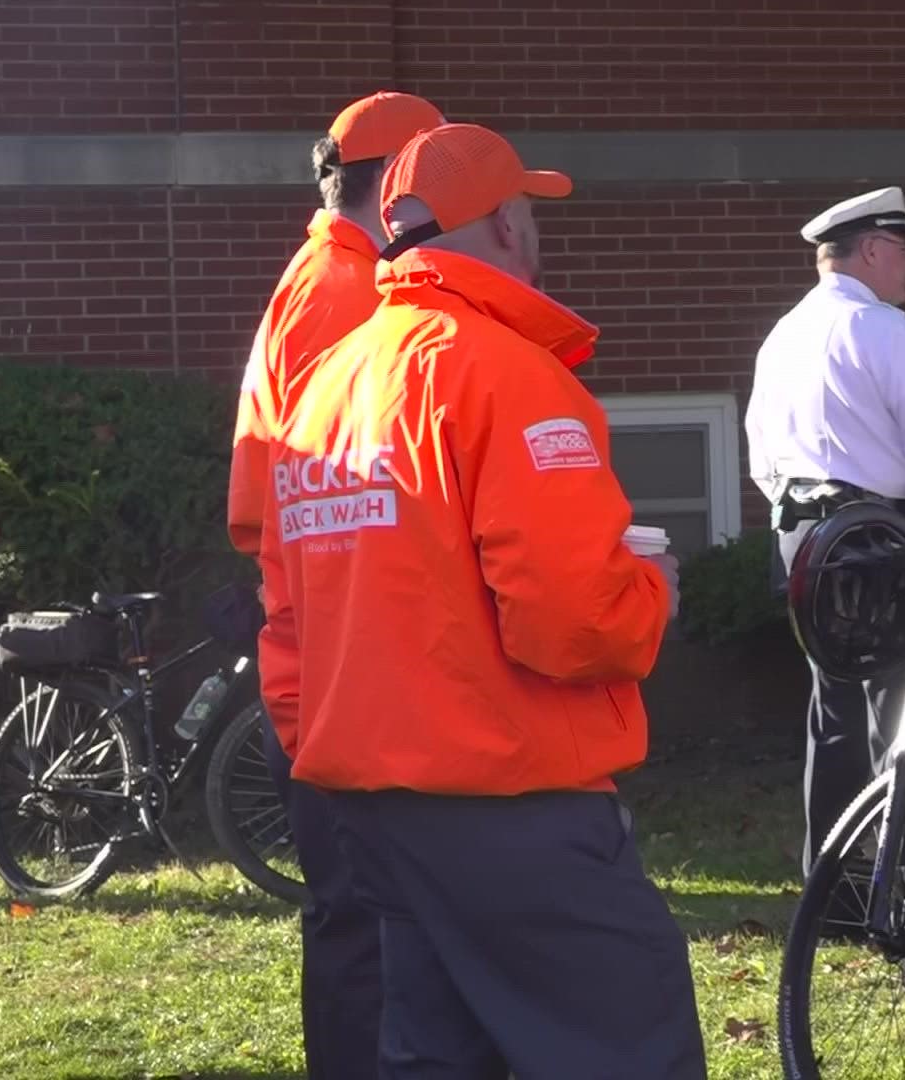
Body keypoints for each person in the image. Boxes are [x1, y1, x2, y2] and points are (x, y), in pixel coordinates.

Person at [259, 123, 705, 1077]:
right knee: (628, 1037)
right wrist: (649, 595)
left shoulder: (328, 385)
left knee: (436, 1051)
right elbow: (571, 619)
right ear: (505, 222)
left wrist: (324, 746)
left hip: (371, 805)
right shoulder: (506, 374)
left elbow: (287, 614)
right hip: (511, 801)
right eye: (531, 212)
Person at [225, 88, 443, 1080]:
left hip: (320, 653)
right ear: (402, 189)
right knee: (366, 925)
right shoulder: (346, 294)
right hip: (338, 663)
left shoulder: (323, 275)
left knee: (363, 919)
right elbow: (348, 499)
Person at [745, 186, 905, 869]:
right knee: (904, 702)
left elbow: (761, 455)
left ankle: (832, 876)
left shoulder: (782, 335)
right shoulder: (887, 328)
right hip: (877, 538)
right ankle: (904, 871)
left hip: (804, 537)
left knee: (831, 709)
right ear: (870, 250)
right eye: (904, 250)